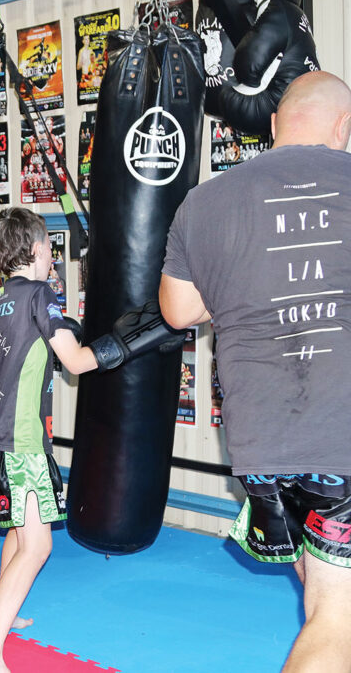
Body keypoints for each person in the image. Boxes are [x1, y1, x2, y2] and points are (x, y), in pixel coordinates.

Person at [159, 71, 351, 672]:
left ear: (273, 125)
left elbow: (179, 311)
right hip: (337, 438)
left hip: (261, 449)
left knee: (323, 594)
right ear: (344, 127)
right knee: (334, 620)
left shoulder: (207, 200)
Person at [0, 207, 103, 673]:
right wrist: (119, 346)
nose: (52, 256)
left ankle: (2, 615)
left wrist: (41, 341)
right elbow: (79, 363)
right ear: (37, 250)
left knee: (16, 532)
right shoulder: (41, 295)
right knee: (38, 546)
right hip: (22, 441)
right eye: (49, 247)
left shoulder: (0, 298)